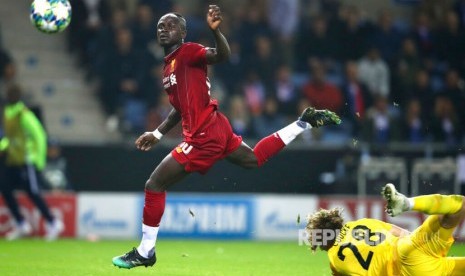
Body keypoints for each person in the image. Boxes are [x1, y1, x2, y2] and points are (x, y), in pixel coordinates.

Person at [112, 5, 341, 269]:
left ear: (183, 32)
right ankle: (303, 122)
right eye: (160, 26)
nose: (164, 29)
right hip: (215, 126)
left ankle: (145, 251)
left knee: (154, 185)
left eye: (171, 25)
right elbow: (180, 108)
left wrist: (216, 31)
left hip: (203, 136)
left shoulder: (188, 51)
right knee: (253, 159)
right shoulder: (169, 67)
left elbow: (221, 54)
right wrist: (158, 132)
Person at [306, 183, 465, 275]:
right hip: (409, 250)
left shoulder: (334, 260)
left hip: (410, 272)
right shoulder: (360, 223)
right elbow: (401, 233)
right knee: (458, 206)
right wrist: (427, 247)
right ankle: (408, 204)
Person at [0, 84, 64, 240]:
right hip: (13, 158)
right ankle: (21, 224)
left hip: (27, 159)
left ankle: (53, 222)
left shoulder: (24, 114)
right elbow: (11, 139)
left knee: (33, 192)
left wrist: (39, 160)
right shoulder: (8, 113)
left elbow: (39, 136)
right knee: (5, 188)